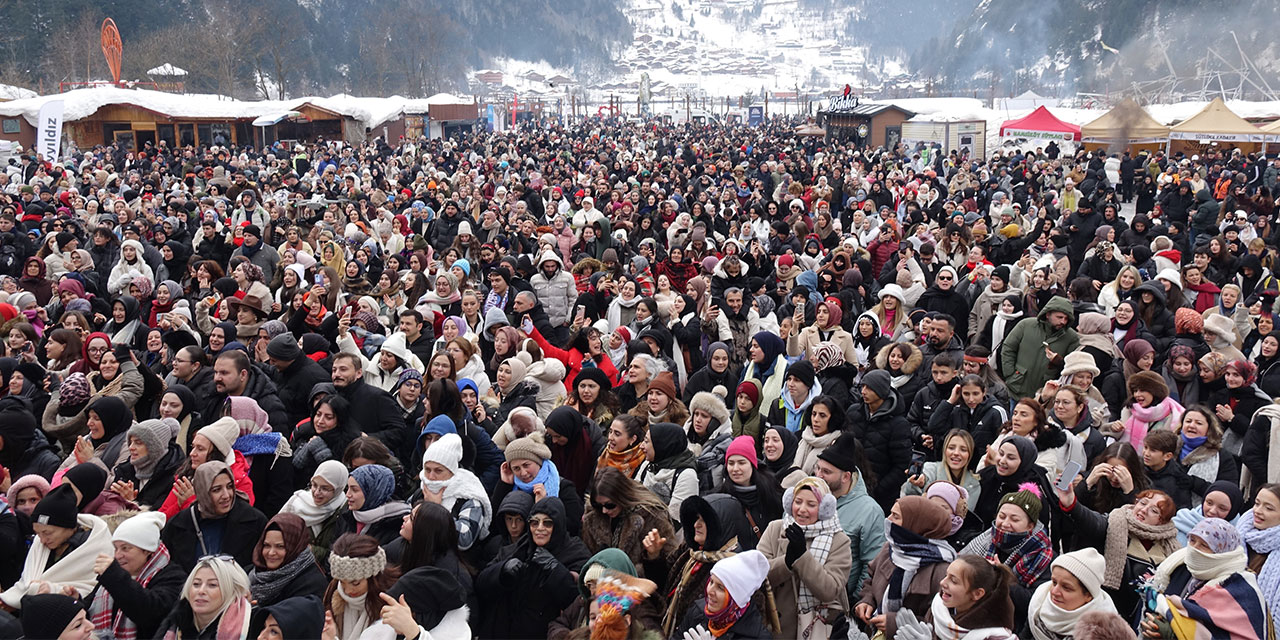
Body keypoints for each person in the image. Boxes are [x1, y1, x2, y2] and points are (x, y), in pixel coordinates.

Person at [1054, 481, 1178, 620]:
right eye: (1143, 503)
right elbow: (1093, 522)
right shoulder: (1115, 522)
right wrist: (1072, 503)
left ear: (1163, 521)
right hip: (1105, 612)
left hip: (1142, 618)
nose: (1143, 510)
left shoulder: (1172, 548)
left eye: (1154, 510)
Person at [757, 476, 852, 640]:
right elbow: (757, 575)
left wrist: (802, 557)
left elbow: (829, 590)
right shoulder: (775, 528)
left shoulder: (840, 541)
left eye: (811, 505)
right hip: (774, 629)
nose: (801, 509)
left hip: (815, 629)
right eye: (798, 501)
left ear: (824, 509)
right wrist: (786, 562)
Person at [1144, 518, 1270, 639]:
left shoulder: (1240, 589)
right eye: (1192, 540)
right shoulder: (1181, 566)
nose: (1194, 549)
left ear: (1222, 551)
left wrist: (1174, 633)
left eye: (1204, 545)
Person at [853, 495, 954, 638]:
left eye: (895, 516)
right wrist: (867, 601)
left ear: (917, 524)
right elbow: (871, 578)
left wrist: (895, 623)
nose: (888, 520)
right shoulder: (892, 549)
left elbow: (939, 620)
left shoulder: (942, 568)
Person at [0, 484, 113, 608]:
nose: (42, 540)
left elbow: (92, 588)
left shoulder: (94, 547)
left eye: (47, 533)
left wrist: (54, 589)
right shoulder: (39, 544)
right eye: (38, 533)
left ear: (68, 527)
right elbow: (25, 583)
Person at [88, 511, 186, 640]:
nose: (117, 555)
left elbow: (149, 612)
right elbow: (89, 608)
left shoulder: (173, 577)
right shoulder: (115, 575)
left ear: (146, 550)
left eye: (125, 548)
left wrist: (113, 576)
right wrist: (74, 598)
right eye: (116, 548)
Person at [161, 460, 268, 572]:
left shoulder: (254, 522)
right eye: (217, 490)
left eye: (230, 487)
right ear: (203, 491)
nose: (226, 495)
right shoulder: (178, 525)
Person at [894, 555, 1018, 640]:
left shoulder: (996, 636)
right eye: (946, 575)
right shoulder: (939, 609)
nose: (942, 582)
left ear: (977, 593)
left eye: (954, 581)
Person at [960, 484, 1052, 590]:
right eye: (1002, 516)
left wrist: (1002, 577)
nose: (1005, 524)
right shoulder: (986, 538)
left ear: (1030, 526)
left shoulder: (1043, 554)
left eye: (1015, 519)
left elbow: (1032, 599)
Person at [670, 550, 777, 640]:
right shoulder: (697, 611)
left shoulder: (758, 636)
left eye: (720, 588)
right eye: (711, 582)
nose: (710, 591)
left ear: (736, 598)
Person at [582, 467, 676, 563]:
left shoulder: (652, 515)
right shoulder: (593, 517)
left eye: (610, 505)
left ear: (621, 497)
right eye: (598, 505)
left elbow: (670, 560)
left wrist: (653, 556)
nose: (604, 511)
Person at [417, 432, 492, 552]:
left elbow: (465, 539)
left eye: (438, 471)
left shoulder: (469, 497)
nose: (431, 477)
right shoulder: (423, 488)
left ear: (451, 471)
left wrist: (436, 509)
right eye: (427, 470)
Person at [1021, 548, 1117, 640]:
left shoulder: (1104, 632)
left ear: (1088, 595)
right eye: (1054, 582)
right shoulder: (1039, 602)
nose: (1054, 592)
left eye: (1066, 588)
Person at [152, 555, 255, 640]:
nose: (201, 591)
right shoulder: (173, 626)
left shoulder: (253, 628)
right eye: (196, 584)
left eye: (212, 585)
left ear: (233, 592)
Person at [999, 296, 1079, 402]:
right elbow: (1008, 348)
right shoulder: (1026, 325)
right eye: (1059, 317)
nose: (1063, 322)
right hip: (1016, 389)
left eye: (1066, 318)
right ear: (1047, 314)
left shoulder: (1071, 337)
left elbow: (1072, 366)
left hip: (1045, 394)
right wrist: (1010, 374)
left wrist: (1057, 361)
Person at [322, 534, 400, 640]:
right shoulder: (333, 592)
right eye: (342, 582)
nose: (347, 591)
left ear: (373, 578)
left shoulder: (392, 603)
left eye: (355, 583)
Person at [248, 513, 328, 608]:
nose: (271, 553)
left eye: (280, 546)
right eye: (266, 545)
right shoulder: (253, 573)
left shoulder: (311, 584)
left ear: (295, 547)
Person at [280, 460, 349, 568]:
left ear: (338, 490)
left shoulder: (344, 512)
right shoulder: (296, 502)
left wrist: (311, 550)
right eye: (314, 485)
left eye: (325, 488)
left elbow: (338, 554)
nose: (316, 492)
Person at [635, 422, 699, 524]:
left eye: (646, 442)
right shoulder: (648, 464)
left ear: (661, 445)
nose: (641, 446)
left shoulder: (686, 475)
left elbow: (676, 520)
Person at [334, 464, 410, 546]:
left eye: (354, 490)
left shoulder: (396, 524)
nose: (347, 494)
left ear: (373, 492)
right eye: (347, 488)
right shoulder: (346, 514)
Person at [597, 414, 648, 479]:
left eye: (617, 434)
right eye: (610, 431)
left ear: (633, 439)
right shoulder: (603, 452)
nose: (610, 437)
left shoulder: (642, 463)